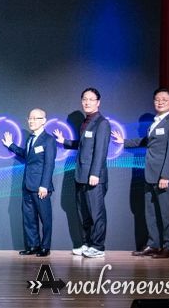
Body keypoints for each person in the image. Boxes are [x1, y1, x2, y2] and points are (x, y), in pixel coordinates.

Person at [112, 88, 169, 259]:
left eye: (164, 99)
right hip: (150, 175)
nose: (160, 102)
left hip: (164, 177)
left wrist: (165, 175)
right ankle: (153, 244)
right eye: (157, 99)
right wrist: (123, 142)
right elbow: (148, 142)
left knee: (167, 213)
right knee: (151, 212)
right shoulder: (156, 122)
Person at [53, 87, 110, 258]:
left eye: (91, 99)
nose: (87, 102)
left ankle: (98, 247)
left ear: (98, 102)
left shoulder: (102, 123)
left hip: (93, 176)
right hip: (80, 175)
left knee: (96, 213)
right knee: (83, 212)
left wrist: (95, 174)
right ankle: (87, 244)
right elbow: (84, 145)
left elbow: (100, 151)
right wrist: (65, 141)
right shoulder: (86, 122)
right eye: (85, 99)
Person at [2, 108, 56, 257]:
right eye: (30, 118)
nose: (31, 121)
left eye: (35, 118)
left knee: (45, 218)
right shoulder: (30, 139)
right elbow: (26, 155)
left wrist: (44, 185)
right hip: (27, 185)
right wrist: (11, 145)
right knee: (29, 218)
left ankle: (45, 247)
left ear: (43, 121)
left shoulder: (48, 140)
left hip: (40, 187)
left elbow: (49, 164)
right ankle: (33, 245)